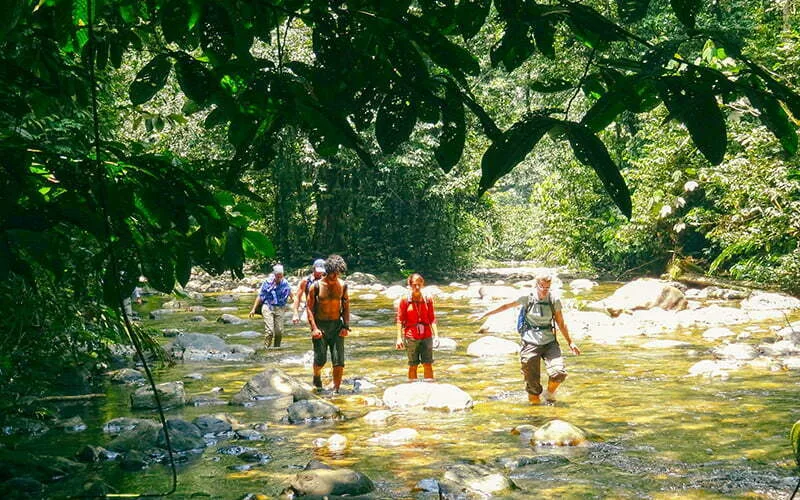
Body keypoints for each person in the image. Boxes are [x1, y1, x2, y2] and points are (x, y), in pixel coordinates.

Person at [476, 273, 581, 404]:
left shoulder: (554, 300)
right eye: (541, 286)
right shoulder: (527, 298)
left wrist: (571, 342)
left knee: (559, 373)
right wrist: (485, 313)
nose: (544, 290)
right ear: (536, 285)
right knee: (532, 385)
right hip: (530, 342)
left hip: (549, 342)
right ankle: (535, 414)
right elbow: (505, 306)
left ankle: (549, 393)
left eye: (547, 287)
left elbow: (561, 323)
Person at [306, 255, 350, 393]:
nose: (335, 276)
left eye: (338, 273)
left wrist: (345, 326)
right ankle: (316, 374)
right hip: (320, 326)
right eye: (333, 273)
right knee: (321, 360)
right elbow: (309, 308)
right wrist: (314, 328)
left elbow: (346, 307)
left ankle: (336, 390)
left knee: (339, 362)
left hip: (337, 325)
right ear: (327, 270)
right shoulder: (316, 286)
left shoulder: (343, 286)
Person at [395, 273, 440, 381]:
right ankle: (412, 388)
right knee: (413, 365)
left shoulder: (427, 299)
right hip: (411, 336)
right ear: (410, 285)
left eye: (419, 284)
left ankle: (429, 386)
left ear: (423, 284)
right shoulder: (405, 300)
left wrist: (436, 336)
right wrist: (399, 338)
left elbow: (432, 319)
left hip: (426, 335)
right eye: (414, 285)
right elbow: (399, 320)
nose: (417, 287)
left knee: (428, 364)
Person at [249, 264, 293, 348]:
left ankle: (277, 348)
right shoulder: (267, 282)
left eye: (281, 275)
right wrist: (253, 309)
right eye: (278, 276)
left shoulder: (285, 283)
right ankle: (266, 349)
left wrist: (296, 304)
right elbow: (260, 296)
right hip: (268, 307)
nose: (280, 278)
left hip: (280, 307)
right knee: (269, 332)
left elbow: (291, 294)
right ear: (274, 274)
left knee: (279, 332)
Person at [292, 258, 326, 324]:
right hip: (309, 309)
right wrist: (295, 313)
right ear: (313, 269)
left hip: (323, 310)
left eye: (322, 271)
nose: (320, 273)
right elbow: (298, 297)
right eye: (318, 271)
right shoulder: (305, 281)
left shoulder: (326, 280)